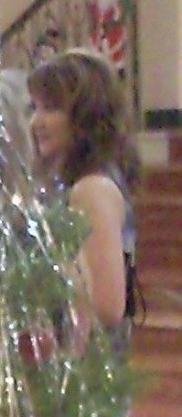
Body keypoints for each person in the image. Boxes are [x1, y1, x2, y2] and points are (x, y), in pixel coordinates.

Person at [27, 48, 138, 353]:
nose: (36, 121)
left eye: (51, 108)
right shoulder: (81, 183)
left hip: (87, 369)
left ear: (87, 116)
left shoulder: (92, 188)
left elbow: (106, 306)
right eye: (35, 107)